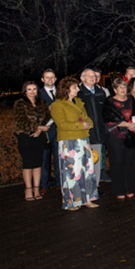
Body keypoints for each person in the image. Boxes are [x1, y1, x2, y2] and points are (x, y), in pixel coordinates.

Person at [49, 76, 99, 211]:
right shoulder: (57, 105)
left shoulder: (78, 102)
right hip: (69, 142)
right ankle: (72, 201)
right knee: (72, 172)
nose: (78, 89)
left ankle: (87, 199)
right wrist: (80, 124)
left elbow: (88, 119)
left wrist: (87, 124)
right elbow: (62, 124)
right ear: (66, 90)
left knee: (87, 171)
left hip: (83, 139)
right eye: (75, 87)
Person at [102, 79, 135, 198]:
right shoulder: (109, 102)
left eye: (124, 87)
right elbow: (108, 119)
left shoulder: (131, 100)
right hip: (115, 136)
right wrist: (127, 124)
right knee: (117, 161)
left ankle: (129, 188)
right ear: (114, 90)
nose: (123, 90)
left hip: (130, 135)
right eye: (120, 88)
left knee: (129, 161)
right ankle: (119, 190)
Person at [14, 81, 52, 201]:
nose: (32, 92)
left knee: (37, 164)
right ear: (25, 91)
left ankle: (37, 189)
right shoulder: (20, 103)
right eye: (29, 89)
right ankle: (28, 189)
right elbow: (21, 121)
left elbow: (47, 118)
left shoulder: (42, 103)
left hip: (39, 137)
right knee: (28, 164)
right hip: (26, 137)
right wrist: (39, 127)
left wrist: (40, 130)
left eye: (34, 89)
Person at [78, 68, 106, 187]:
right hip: (84, 132)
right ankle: (84, 187)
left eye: (94, 76)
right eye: (89, 76)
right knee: (83, 160)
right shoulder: (78, 93)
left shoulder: (101, 92)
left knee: (97, 159)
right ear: (82, 78)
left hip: (99, 131)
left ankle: (95, 186)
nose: (92, 78)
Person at [38, 69, 59, 194]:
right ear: (42, 79)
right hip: (45, 131)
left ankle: (59, 183)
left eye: (52, 77)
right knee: (44, 159)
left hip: (59, 130)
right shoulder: (38, 94)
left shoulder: (61, 93)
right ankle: (44, 184)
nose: (50, 79)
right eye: (47, 77)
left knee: (59, 158)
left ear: (55, 79)